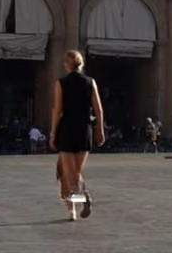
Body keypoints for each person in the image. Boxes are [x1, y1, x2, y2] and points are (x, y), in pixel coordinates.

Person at [50, 50, 106, 221]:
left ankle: (83, 197)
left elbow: (57, 111)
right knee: (76, 171)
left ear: (67, 65)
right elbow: (98, 109)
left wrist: (53, 133)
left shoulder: (61, 83)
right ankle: (74, 209)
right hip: (84, 129)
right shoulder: (91, 82)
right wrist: (100, 130)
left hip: (67, 129)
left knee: (69, 173)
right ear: (81, 64)